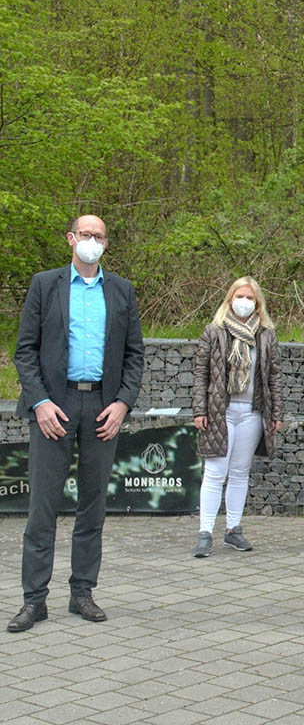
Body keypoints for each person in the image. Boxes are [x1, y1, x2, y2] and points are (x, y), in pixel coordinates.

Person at [8, 215, 145, 633]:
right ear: (71, 239)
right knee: (42, 508)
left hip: (102, 407)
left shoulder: (121, 290)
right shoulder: (45, 285)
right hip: (55, 406)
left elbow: (134, 355)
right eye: (85, 235)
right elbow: (25, 351)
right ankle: (34, 600)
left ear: (107, 242)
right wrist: (41, 403)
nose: (92, 241)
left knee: (93, 506)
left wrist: (123, 403)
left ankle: (82, 591)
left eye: (99, 236)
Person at [191, 277, 283, 557]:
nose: (245, 302)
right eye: (240, 296)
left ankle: (233, 529)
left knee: (240, 472)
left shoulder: (266, 334)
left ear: (258, 303)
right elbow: (201, 373)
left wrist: (276, 411)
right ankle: (205, 532)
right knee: (215, 473)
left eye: (250, 298)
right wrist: (199, 409)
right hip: (221, 411)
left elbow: (275, 376)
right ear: (230, 299)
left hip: (252, 412)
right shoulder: (214, 331)